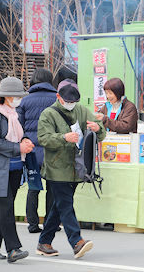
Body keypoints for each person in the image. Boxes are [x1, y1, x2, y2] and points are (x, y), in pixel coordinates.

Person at [35, 79, 105, 259]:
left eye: (74, 101)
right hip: (56, 168)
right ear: (59, 97)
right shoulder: (48, 114)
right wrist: (63, 137)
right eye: (68, 101)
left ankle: (44, 242)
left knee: (59, 207)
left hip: (77, 167)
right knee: (65, 205)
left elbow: (101, 132)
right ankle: (76, 241)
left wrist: (98, 128)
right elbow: (43, 138)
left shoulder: (81, 110)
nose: (71, 105)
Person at [0, 76, 34, 263]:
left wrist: (25, 141)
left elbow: (18, 135)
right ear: (5, 96)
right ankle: (13, 249)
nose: (18, 99)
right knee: (6, 207)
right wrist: (17, 148)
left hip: (15, 168)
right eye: (16, 96)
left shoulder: (15, 114)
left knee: (2, 208)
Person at [17, 68, 57, 234]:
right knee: (52, 189)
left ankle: (33, 224)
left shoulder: (25, 100)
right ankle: (50, 223)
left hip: (32, 151)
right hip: (52, 151)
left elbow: (18, 126)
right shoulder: (57, 99)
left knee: (33, 188)